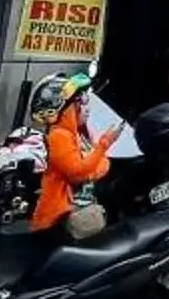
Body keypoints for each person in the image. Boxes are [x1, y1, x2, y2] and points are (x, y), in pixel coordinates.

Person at [30, 71, 116, 239]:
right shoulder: (58, 136)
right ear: (65, 108)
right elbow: (79, 173)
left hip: (81, 214)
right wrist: (103, 146)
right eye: (81, 101)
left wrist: (93, 163)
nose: (86, 107)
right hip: (64, 221)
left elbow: (103, 166)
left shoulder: (78, 134)